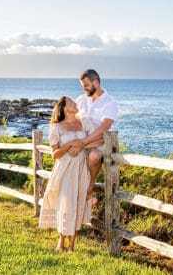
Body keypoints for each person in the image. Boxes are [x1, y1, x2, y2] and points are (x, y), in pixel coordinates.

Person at [39, 96, 103, 252]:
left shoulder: (84, 121)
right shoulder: (56, 127)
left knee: (78, 202)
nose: (75, 102)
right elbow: (55, 154)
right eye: (71, 101)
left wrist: (81, 146)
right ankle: (61, 242)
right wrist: (68, 145)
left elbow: (99, 140)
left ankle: (72, 245)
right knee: (65, 204)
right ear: (64, 108)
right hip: (65, 168)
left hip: (81, 168)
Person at [69, 69, 118, 201]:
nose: (84, 88)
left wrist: (83, 143)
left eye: (86, 85)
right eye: (82, 86)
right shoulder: (81, 99)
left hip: (99, 141)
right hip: (81, 139)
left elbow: (103, 129)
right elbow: (72, 119)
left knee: (95, 156)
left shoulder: (110, 102)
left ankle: (90, 186)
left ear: (95, 82)